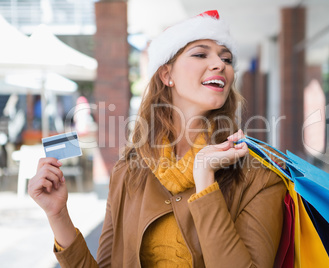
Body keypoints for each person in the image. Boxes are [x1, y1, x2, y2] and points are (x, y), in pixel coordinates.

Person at [28, 10, 286, 267]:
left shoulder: (260, 175)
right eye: (200, 54)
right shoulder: (129, 171)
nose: (221, 64)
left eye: (227, 59)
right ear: (166, 75)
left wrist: (205, 180)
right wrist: (58, 214)